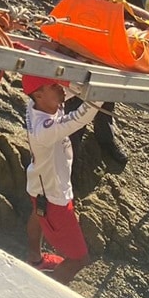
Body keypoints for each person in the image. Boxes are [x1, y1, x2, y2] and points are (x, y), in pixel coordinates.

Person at [62, 0, 149, 165]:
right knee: (75, 108)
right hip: (82, 60)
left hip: (113, 59)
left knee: (107, 103)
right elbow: (63, 26)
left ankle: (105, 138)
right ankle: (69, 155)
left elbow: (140, 22)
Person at [21, 74, 96, 285]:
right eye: (55, 84)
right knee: (79, 259)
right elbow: (81, 117)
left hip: (38, 182)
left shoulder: (39, 103)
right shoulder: (44, 129)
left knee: (37, 213)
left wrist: (78, 83)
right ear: (39, 94)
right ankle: (48, 288)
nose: (62, 87)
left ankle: (34, 259)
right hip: (55, 197)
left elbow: (70, 89)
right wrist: (101, 95)